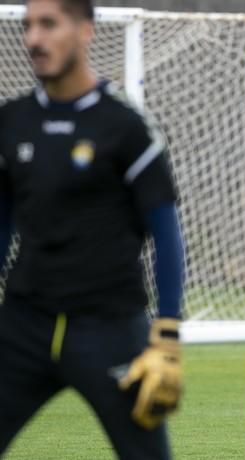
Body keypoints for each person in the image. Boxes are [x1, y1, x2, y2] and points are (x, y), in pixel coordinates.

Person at [0, 1, 185, 458]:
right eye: (28, 27)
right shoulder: (12, 121)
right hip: (23, 325)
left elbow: (166, 234)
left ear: (84, 32)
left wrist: (166, 335)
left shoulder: (125, 127)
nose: (34, 40)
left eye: (49, 25)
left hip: (110, 329)